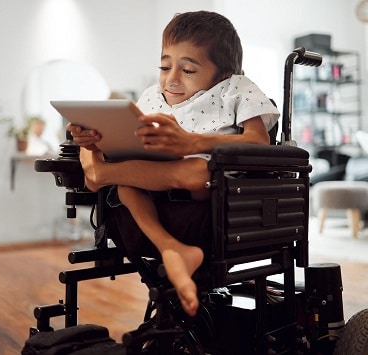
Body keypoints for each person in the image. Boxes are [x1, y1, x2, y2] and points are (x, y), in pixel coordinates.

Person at [68, 10, 279, 317]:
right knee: (126, 178)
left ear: (223, 74)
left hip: (208, 183)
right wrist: (94, 140)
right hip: (149, 179)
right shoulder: (152, 96)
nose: (172, 79)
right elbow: (129, 138)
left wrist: (192, 142)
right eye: (164, 66)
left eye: (188, 70)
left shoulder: (236, 88)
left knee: (195, 171)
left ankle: (100, 173)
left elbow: (259, 140)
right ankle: (171, 247)